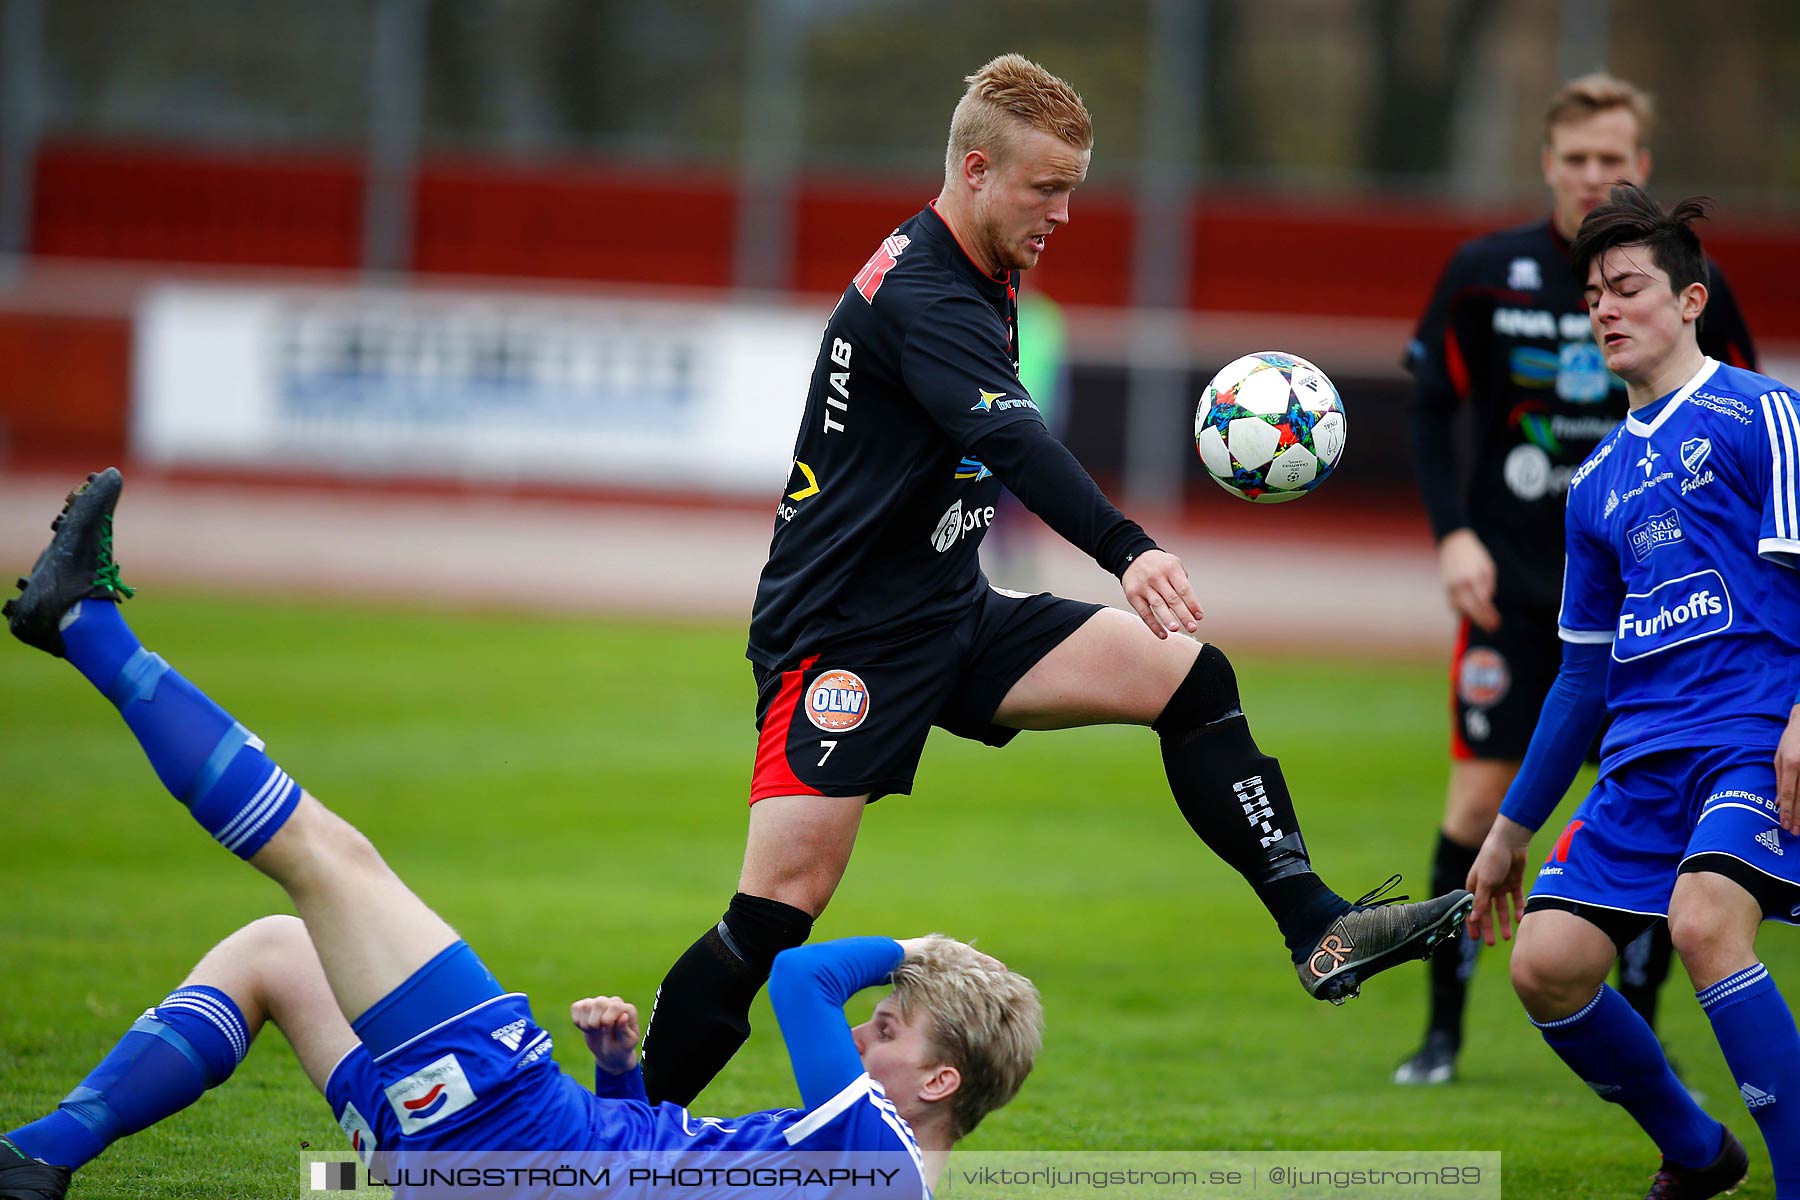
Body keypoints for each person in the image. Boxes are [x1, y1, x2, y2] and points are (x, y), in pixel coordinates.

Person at [638, 50, 1474, 1109]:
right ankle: (619, 1139)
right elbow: (1020, 442)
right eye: (1047, 190)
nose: (1064, 214)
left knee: (1188, 676)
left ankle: (1317, 924)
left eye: (1073, 189)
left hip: (951, 607)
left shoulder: (983, 260)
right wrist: (1130, 548)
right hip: (844, 634)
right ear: (977, 170)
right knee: (773, 915)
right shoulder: (927, 293)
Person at [0, 470, 1044, 1200]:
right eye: (887, 1018)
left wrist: (913, 955)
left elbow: (802, 978)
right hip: (523, 1155)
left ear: (939, 1084)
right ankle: (40, 1157)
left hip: (516, 1137)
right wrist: (623, 1078)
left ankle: (84, 622)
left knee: (325, 858)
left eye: (894, 1030)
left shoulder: (876, 1149)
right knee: (278, 953)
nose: (869, 1036)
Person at [1397, 74, 1758, 1086]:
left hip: (1659, 607)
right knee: (1477, 807)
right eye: (1577, 159)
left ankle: (1640, 1031)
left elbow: (1742, 421)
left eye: (1614, 159)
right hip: (1513, 592)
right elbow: (1427, 408)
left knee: (1650, 809)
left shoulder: (1693, 285)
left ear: (1639, 168)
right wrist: (1452, 536)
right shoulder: (1483, 273)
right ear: (1549, 164)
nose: (1594, 174)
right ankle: (1440, 1037)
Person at [1467, 184, 1800, 1200]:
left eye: (1630, 288)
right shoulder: (1598, 481)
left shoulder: (1761, 412)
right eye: (1594, 295)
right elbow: (1581, 674)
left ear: (1691, 300)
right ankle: (1698, 1152)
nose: (1606, 309)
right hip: (1642, 763)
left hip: (1752, 738)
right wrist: (1509, 830)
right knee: (1547, 964)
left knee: (1705, 924)